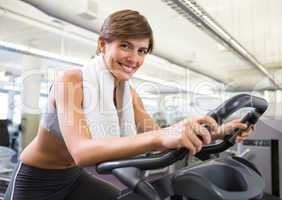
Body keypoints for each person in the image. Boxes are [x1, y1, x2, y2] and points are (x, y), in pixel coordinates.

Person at [4, 9, 254, 200]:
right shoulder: (71, 81)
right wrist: (161, 136)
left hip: (72, 177)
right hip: (36, 179)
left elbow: (156, 136)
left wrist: (218, 132)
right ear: (103, 44)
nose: (134, 59)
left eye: (142, 51)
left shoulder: (128, 93)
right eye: (125, 46)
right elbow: (82, 152)